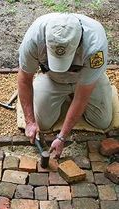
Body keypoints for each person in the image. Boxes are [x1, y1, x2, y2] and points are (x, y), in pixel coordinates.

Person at [18, 12, 112, 158]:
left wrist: (62, 137)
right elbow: (24, 79)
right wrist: (30, 122)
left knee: (102, 121)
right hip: (53, 78)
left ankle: (99, 83)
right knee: (42, 124)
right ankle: (44, 86)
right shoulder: (34, 37)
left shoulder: (95, 46)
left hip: (86, 79)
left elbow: (82, 96)